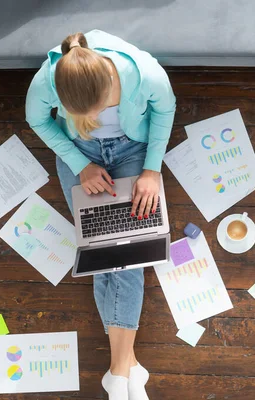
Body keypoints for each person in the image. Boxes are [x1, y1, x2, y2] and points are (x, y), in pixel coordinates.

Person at [26, 30, 176, 400]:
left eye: (93, 112)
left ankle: (117, 372)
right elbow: (37, 120)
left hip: (132, 150)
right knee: (101, 251)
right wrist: (80, 164)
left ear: (110, 84)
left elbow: (165, 110)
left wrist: (152, 170)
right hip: (81, 157)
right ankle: (125, 368)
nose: (89, 119)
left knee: (128, 254)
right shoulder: (49, 79)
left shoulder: (146, 74)